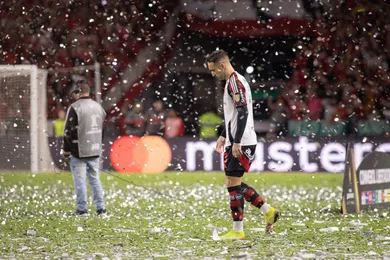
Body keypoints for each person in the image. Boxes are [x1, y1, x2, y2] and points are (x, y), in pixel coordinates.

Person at [206, 50, 280, 239]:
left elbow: (243, 113)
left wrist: (236, 141)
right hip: (238, 139)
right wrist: (224, 135)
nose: (213, 75)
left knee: (233, 184)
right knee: (233, 183)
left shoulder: (235, 83)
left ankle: (238, 231)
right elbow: (233, 115)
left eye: (214, 70)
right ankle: (267, 211)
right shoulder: (234, 81)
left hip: (242, 141)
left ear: (223, 65)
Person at [62, 80, 107, 216]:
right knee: (95, 180)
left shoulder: (75, 107)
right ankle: (101, 209)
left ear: (78, 92)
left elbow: (67, 131)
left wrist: (66, 149)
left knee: (80, 181)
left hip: (79, 151)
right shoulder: (99, 107)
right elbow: (102, 129)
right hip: (95, 150)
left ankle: (82, 210)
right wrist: (97, 144)